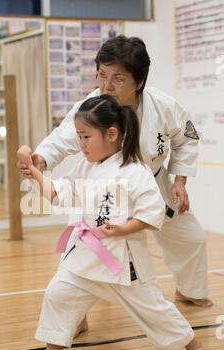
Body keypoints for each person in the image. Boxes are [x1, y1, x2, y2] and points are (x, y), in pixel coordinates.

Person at [17, 94, 215, 350]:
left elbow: (153, 211)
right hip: (84, 254)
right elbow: (58, 194)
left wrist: (124, 229)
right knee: (57, 294)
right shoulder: (85, 167)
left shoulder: (135, 170)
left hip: (123, 262)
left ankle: (195, 345)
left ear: (111, 134)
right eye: (79, 137)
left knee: (155, 310)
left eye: (86, 137)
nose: (81, 144)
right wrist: (34, 173)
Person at [18, 36, 213, 314]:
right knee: (85, 252)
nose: (106, 86)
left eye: (117, 78)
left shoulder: (163, 106)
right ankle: (73, 315)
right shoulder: (93, 106)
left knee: (192, 238)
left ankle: (189, 290)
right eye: (101, 75)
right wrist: (40, 159)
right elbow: (62, 138)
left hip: (154, 184)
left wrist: (179, 180)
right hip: (104, 190)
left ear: (140, 80)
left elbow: (187, 139)